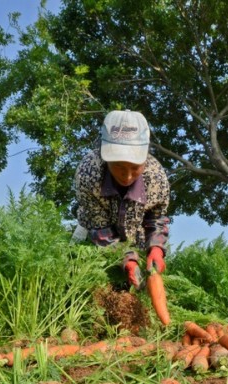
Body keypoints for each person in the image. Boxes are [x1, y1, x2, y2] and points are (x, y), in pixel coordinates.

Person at [73, 109, 171, 289]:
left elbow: (156, 219)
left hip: (136, 239)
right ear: (105, 155)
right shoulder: (88, 173)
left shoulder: (156, 178)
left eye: (135, 168)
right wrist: (126, 258)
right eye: (118, 167)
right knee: (82, 286)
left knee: (135, 292)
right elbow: (99, 228)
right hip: (93, 239)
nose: (127, 176)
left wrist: (156, 248)